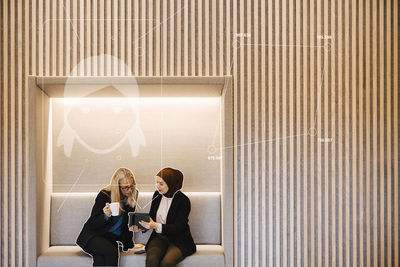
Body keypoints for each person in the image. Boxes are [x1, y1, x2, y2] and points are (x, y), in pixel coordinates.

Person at [76, 167, 138, 266]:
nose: (130, 190)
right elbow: (93, 223)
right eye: (126, 187)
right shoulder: (104, 195)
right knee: (112, 251)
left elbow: (126, 221)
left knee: (100, 260)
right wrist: (105, 216)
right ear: (117, 187)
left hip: (110, 238)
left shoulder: (133, 195)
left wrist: (130, 243)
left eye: (132, 186)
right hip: (93, 236)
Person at [137, 167, 196, 267]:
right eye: (156, 183)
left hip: (179, 241)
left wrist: (155, 226)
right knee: (152, 260)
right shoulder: (157, 195)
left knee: (167, 263)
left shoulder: (183, 201)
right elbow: (152, 217)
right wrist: (140, 226)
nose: (157, 186)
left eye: (161, 183)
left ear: (171, 183)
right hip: (159, 238)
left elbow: (178, 227)